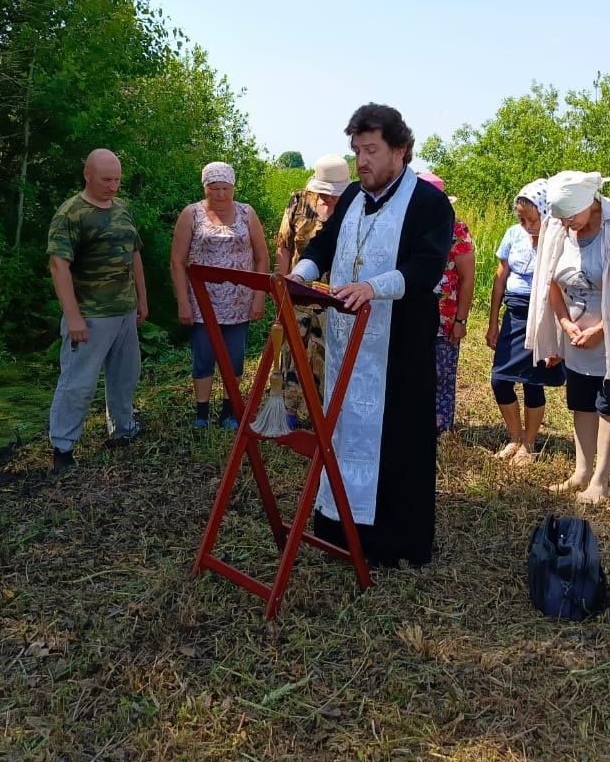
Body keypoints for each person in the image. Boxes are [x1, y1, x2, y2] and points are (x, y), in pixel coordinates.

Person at [289, 103, 453, 567]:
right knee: (343, 429)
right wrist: (303, 272)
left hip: (399, 343)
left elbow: (427, 266)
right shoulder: (352, 201)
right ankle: (340, 531)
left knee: (399, 437)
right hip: (347, 340)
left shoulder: (427, 202)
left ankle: (395, 543)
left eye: (372, 150)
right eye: (357, 150)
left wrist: (374, 289)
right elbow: (323, 243)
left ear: (400, 150)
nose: (362, 160)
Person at [526, 171, 610, 504]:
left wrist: (602, 330)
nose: (568, 224)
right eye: (562, 219)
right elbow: (549, 282)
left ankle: (600, 480)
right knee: (582, 403)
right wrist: (566, 324)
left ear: (590, 202)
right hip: (577, 335)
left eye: (572, 217)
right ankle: (581, 471)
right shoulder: (559, 227)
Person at [47, 149, 148, 471]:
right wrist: (74, 316)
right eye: (106, 179)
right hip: (90, 315)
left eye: (117, 179)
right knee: (78, 383)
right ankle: (62, 448)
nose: (113, 186)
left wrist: (142, 300)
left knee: (125, 377)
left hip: (124, 311)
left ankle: (123, 429)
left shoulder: (122, 209)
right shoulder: (71, 214)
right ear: (87, 174)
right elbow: (58, 265)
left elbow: (135, 256)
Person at [169, 161, 270, 430]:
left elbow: (262, 258)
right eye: (215, 189)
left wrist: (259, 297)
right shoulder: (191, 214)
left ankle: (229, 410)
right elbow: (177, 261)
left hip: (239, 301)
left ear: (233, 188)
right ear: (206, 188)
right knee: (203, 357)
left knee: (234, 357)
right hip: (202, 302)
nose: (221, 195)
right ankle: (201, 412)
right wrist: (183, 301)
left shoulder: (247, 213)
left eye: (226, 189)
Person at [486, 179, 565, 464]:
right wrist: (493, 321)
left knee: (533, 382)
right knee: (500, 380)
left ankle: (529, 445)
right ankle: (514, 436)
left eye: (533, 219)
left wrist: (556, 338)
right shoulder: (512, 235)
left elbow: (562, 289)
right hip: (515, 313)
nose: (528, 225)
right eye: (522, 219)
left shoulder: (559, 238)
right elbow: (499, 279)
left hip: (543, 316)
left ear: (546, 214)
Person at [275, 154, 351, 426]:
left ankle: (324, 417)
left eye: (335, 195)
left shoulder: (353, 208)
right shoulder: (298, 202)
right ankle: (289, 413)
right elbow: (284, 247)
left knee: (327, 356)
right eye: (326, 193)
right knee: (291, 354)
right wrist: (282, 286)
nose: (330, 199)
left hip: (336, 299)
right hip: (297, 292)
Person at [416, 170, 475, 436]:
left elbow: (467, 279)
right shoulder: (410, 228)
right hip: (411, 315)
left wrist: (461, 321)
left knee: (442, 375)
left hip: (445, 317)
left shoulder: (457, 231)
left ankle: (440, 428)